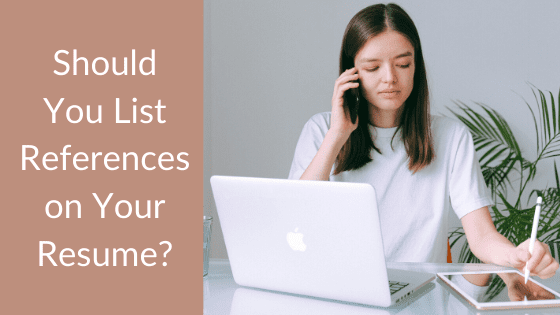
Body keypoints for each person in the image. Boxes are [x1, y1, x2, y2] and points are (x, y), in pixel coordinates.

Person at [288, 3, 558, 278]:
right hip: (338, 288)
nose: (390, 78)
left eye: (403, 64)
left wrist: (517, 256)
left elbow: (482, 237)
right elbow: (295, 219)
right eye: (372, 68)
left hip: (421, 296)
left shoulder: (451, 137)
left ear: (416, 66)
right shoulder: (321, 131)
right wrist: (336, 136)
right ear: (350, 74)